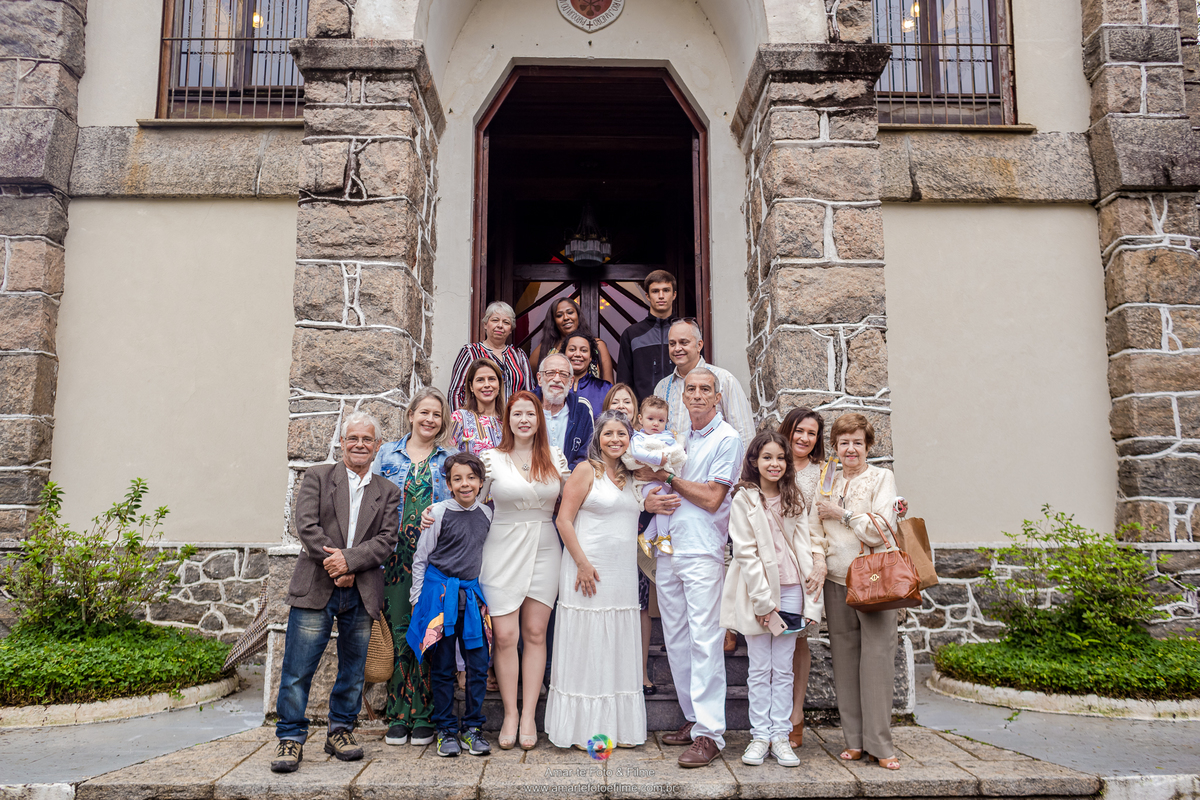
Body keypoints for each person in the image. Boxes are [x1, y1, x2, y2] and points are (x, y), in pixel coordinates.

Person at [271, 411, 401, 773]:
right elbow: (306, 526)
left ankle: (340, 731)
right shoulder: (317, 477)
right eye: (353, 438)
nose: (360, 444)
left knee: (353, 669)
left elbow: (386, 541)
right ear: (342, 443)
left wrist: (349, 563)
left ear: (377, 447)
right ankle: (290, 737)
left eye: (367, 440)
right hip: (316, 586)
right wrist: (335, 564)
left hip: (361, 593)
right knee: (298, 669)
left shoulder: (388, 491)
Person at [639, 368, 744, 768]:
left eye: (706, 390)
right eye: (691, 389)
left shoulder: (727, 439)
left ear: (717, 397)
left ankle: (710, 734)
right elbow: (656, 486)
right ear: (683, 397)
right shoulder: (679, 439)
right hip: (667, 549)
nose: (697, 395)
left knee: (704, 640)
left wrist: (666, 476)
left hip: (702, 551)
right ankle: (693, 717)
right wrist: (651, 498)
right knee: (678, 640)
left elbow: (713, 498)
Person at [720, 431, 826, 768]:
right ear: (754, 461)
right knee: (759, 666)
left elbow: (806, 547)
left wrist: (812, 602)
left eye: (780, 458)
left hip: (793, 590)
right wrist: (765, 605)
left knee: (783, 667)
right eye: (767, 457)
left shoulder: (794, 497)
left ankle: (780, 735)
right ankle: (759, 735)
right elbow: (746, 554)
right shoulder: (743, 500)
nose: (775, 463)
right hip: (757, 593)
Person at [545, 410, 648, 748]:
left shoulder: (634, 476)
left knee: (617, 642)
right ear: (598, 438)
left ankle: (619, 727)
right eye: (609, 434)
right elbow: (563, 520)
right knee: (587, 642)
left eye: (622, 434)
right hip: (586, 568)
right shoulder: (586, 470)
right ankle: (581, 729)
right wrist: (582, 563)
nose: (615, 440)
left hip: (621, 573)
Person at [477, 391, 570, 750]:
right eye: (517, 414)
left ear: (539, 419)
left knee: (534, 633)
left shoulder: (555, 458)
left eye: (530, 414)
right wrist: (435, 516)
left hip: (546, 546)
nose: (524, 420)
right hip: (501, 548)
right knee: (504, 636)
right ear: (508, 419)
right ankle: (510, 713)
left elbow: (579, 500)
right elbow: (470, 501)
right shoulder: (491, 458)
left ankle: (529, 713)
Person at [813, 412, 901, 770]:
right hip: (837, 579)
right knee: (845, 661)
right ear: (835, 446)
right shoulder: (827, 478)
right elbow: (813, 522)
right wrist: (819, 558)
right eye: (844, 442)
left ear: (868, 447)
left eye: (858, 443)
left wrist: (843, 513)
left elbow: (881, 527)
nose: (851, 449)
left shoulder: (881, 477)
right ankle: (853, 741)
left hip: (875, 579)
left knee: (877, 659)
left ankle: (880, 744)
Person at [372, 388, 456, 748]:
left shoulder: (449, 458)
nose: (429, 420)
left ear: (443, 421)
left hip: (430, 559)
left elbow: (460, 502)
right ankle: (397, 714)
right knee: (398, 629)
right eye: (424, 412)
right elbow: (372, 501)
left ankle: (423, 715)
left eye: (436, 415)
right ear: (411, 414)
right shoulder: (386, 454)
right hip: (393, 557)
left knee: (427, 632)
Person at [407, 452, 494, 758]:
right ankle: (446, 729)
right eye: (457, 479)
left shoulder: (487, 515)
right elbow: (421, 559)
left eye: (471, 478)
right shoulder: (439, 514)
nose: (465, 484)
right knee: (442, 667)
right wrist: (418, 600)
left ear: (481, 482)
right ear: (448, 484)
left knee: (478, 665)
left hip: (470, 600)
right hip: (440, 599)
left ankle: (472, 727)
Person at [602, 383, 655, 695]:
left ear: (636, 410)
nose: (622, 405)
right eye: (616, 401)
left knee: (640, 605)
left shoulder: (646, 443)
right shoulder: (606, 443)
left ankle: (641, 670)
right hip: (608, 535)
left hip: (640, 532)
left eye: (628, 401)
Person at [778, 406, 827, 747]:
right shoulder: (770, 462)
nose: (804, 438)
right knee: (769, 640)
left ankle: (795, 713)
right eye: (799, 430)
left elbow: (821, 522)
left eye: (811, 433)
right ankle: (771, 716)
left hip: (803, 562)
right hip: (768, 562)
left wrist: (820, 562)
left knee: (797, 640)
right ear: (788, 430)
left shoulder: (822, 474)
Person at [653, 319, 755, 448]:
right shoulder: (661, 387)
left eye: (684, 342)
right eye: (672, 344)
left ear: (699, 345)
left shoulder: (724, 380)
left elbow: (744, 434)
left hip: (715, 466)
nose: (677, 348)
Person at [622, 395, 686, 556]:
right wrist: (658, 458)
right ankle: (663, 537)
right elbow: (637, 454)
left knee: (669, 503)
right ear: (641, 419)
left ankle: (648, 536)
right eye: (651, 419)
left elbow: (676, 453)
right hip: (646, 483)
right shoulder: (638, 437)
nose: (656, 424)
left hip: (665, 480)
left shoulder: (668, 436)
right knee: (663, 501)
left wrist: (671, 457)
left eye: (661, 420)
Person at [448, 301, 534, 410]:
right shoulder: (470, 352)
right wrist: (460, 422)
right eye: (495, 320)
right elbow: (455, 392)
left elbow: (530, 393)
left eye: (506, 322)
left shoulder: (519, 356)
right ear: (485, 324)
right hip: (479, 422)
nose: (500, 325)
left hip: (513, 421)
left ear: (510, 329)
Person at [616, 269, 677, 402]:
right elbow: (624, 382)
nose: (661, 296)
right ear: (647, 296)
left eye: (666, 290)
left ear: (674, 295)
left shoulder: (686, 332)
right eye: (655, 291)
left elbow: (698, 372)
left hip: (681, 413)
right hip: (643, 415)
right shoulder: (632, 334)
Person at [530, 297, 614, 383]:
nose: (566, 317)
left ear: (578, 315)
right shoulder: (546, 347)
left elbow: (609, 386)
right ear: (554, 321)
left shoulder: (598, 345)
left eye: (570, 312)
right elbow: (529, 378)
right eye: (559, 315)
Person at [535, 353, 595, 469]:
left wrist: (566, 478)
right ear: (539, 379)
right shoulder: (525, 406)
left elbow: (587, 454)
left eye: (563, 374)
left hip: (570, 482)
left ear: (571, 381)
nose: (557, 379)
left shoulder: (582, 409)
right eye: (550, 373)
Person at [450, 358, 505, 457]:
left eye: (492, 379)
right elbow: (444, 456)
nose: (487, 385)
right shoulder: (459, 418)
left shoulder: (508, 420)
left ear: (499, 384)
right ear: (471, 386)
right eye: (480, 380)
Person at [563, 332, 612, 417]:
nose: (577, 354)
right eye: (572, 349)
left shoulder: (605, 388)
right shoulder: (552, 385)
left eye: (584, 350)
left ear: (590, 358)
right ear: (564, 354)